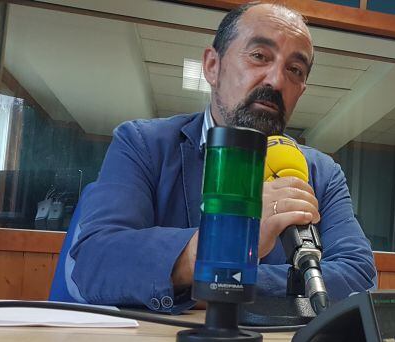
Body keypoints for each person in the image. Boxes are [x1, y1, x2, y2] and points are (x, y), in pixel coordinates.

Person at [61, 2, 376, 313]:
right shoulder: (143, 144)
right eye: (259, 56)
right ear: (213, 66)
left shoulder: (321, 172)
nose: (277, 81)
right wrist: (227, 240)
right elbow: (92, 263)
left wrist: (213, 283)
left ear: (301, 90)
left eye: (295, 70)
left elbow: (359, 277)